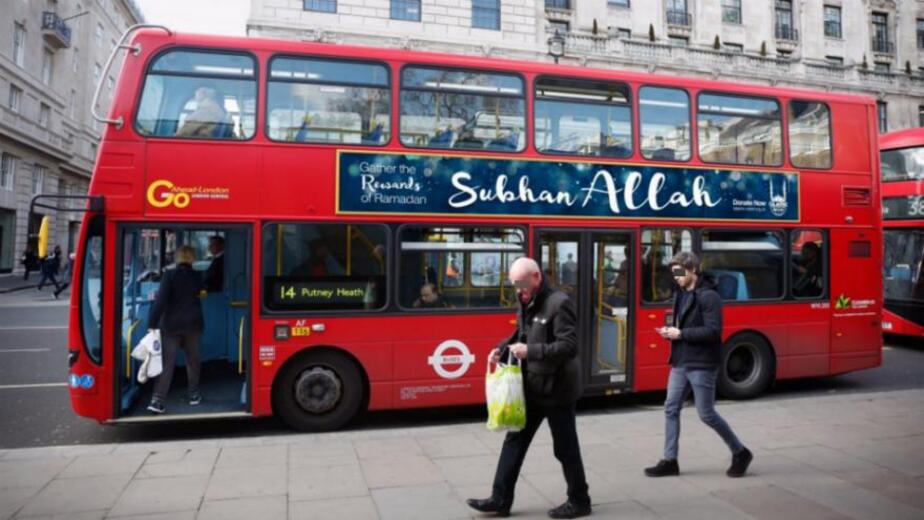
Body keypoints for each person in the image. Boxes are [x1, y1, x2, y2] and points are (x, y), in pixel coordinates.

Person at [467, 257, 591, 519]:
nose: (519, 290)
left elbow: (569, 347)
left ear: (536, 276)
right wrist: (500, 349)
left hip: (558, 390)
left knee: (565, 448)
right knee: (514, 439)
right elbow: (522, 333)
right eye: (515, 285)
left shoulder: (560, 303)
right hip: (533, 385)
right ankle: (500, 499)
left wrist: (530, 352)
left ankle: (580, 500)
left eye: (522, 284)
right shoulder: (525, 298)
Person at [645, 251, 753, 478]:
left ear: (692, 270)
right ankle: (669, 460)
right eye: (673, 272)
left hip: (702, 363)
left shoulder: (709, 297)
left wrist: (681, 333)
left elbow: (713, 332)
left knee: (706, 414)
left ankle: (740, 452)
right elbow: (681, 325)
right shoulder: (681, 294)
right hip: (681, 360)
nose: (675, 277)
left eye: (679, 272)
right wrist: (670, 333)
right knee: (671, 407)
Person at [146, 245, 205, 414]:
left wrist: (152, 323)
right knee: (192, 360)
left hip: (171, 325)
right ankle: (194, 395)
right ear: (192, 258)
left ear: (178, 258)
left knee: (167, 363)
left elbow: (161, 301)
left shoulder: (169, 275)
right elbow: (202, 293)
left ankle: (158, 400)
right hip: (193, 324)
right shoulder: (197, 276)